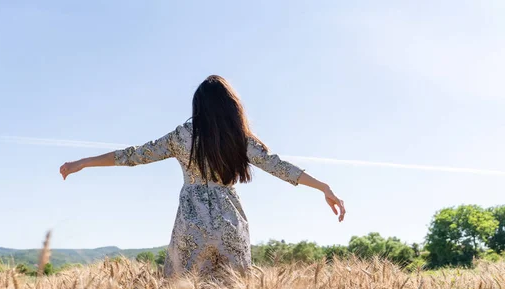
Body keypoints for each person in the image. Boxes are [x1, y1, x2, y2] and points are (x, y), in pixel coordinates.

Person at [60, 75, 345, 276]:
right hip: (230, 224)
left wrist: (84, 162)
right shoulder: (240, 139)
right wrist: (323, 187)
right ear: (231, 107)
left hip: (192, 223)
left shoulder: (182, 136)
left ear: (199, 107)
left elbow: (133, 155)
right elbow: (279, 167)